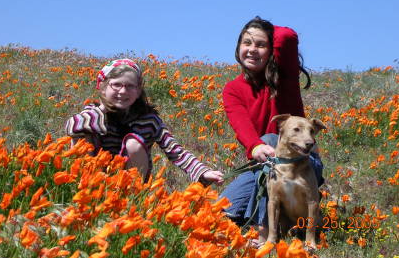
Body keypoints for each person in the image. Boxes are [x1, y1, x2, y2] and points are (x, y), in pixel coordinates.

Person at [219, 16, 324, 241]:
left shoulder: (284, 77)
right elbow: (241, 124)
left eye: (260, 45)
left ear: (271, 50)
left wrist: (261, 27)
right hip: (262, 164)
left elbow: (287, 36)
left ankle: (264, 232)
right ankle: (285, 218)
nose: (252, 49)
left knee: (270, 137)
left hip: (302, 161)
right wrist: (255, 146)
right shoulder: (232, 89)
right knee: (221, 212)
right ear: (238, 46)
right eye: (246, 43)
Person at [65, 58, 224, 185]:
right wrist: (100, 113)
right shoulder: (93, 113)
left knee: (133, 143)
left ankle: (132, 196)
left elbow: (174, 150)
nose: (122, 91)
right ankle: (85, 189)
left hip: (130, 178)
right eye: (116, 85)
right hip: (96, 177)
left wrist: (202, 171)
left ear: (138, 90)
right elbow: (73, 125)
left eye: (130, 86)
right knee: (82, 132)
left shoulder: (148, 120)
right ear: (103, 87)